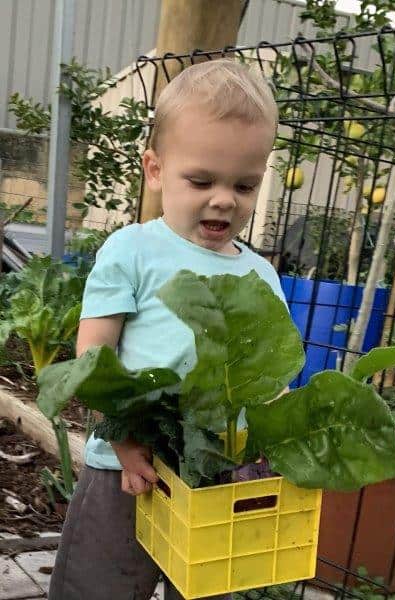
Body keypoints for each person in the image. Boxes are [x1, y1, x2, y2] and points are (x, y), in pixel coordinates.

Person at [49, 58, 287, 600]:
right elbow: (95, 360)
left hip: (214, 475)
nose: (224, 198)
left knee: (204, 588)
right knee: (99, 586)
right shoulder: (132, 249)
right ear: (154, 170)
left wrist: (277, 443)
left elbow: (270, 376)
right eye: (201, 180)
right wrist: (126, 439)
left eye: (245, 185)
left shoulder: (260, 274)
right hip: (129, 468)